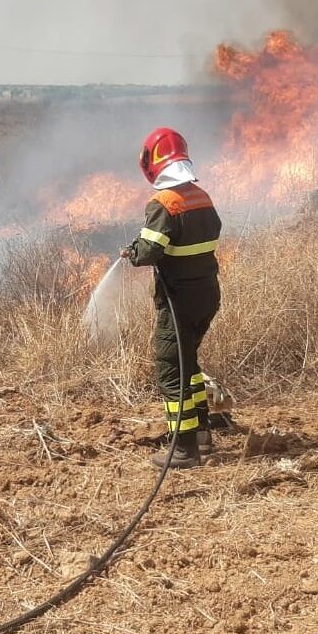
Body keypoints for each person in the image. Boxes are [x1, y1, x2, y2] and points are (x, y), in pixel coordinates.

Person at [120, 127, 221, 469]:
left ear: (153, 162)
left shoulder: (163, 203)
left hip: (177, 301)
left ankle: (183, 448)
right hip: (206, 294)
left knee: (170, 370)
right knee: (188, 364)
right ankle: (203, 436)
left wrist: (133, 253)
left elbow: (149, 250)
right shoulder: (201, 196)